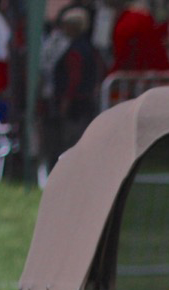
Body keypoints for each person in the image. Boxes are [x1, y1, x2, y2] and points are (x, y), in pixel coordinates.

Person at [46, 5, 99, 169]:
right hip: (84, 101)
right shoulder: (89, 47)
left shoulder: (76, 50)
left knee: (69, 140)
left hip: (74, 104)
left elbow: (73, 78)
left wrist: (65, 102)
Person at [108, 0, 169, 74]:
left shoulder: (128, 23)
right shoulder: (138, 17)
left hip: (144, 72)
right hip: (154, 71)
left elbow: (122, 59)